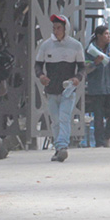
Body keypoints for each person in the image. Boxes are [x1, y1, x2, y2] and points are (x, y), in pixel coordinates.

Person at [34, 14, 85, 162]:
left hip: (68, 90)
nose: (56, 31)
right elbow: (38, 64)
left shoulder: (76, 46)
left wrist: (77, 78)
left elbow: (82, 68)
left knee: (64, 117)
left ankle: (63, 146)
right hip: (51, 90)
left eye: (59, 28)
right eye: (54, 28)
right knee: (55, 120)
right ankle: (58, 148)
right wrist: (41, 76)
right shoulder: (46, 45)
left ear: (66, 28)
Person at [84, 25, 110, 147]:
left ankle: (106, 136)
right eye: (106, 34)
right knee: (98, 117)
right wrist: (95, 63)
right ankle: (100, 142)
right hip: (97, 88)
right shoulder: (90, 50)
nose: (108, 36)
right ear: (98, 36)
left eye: (109, 34)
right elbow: (85, 69)